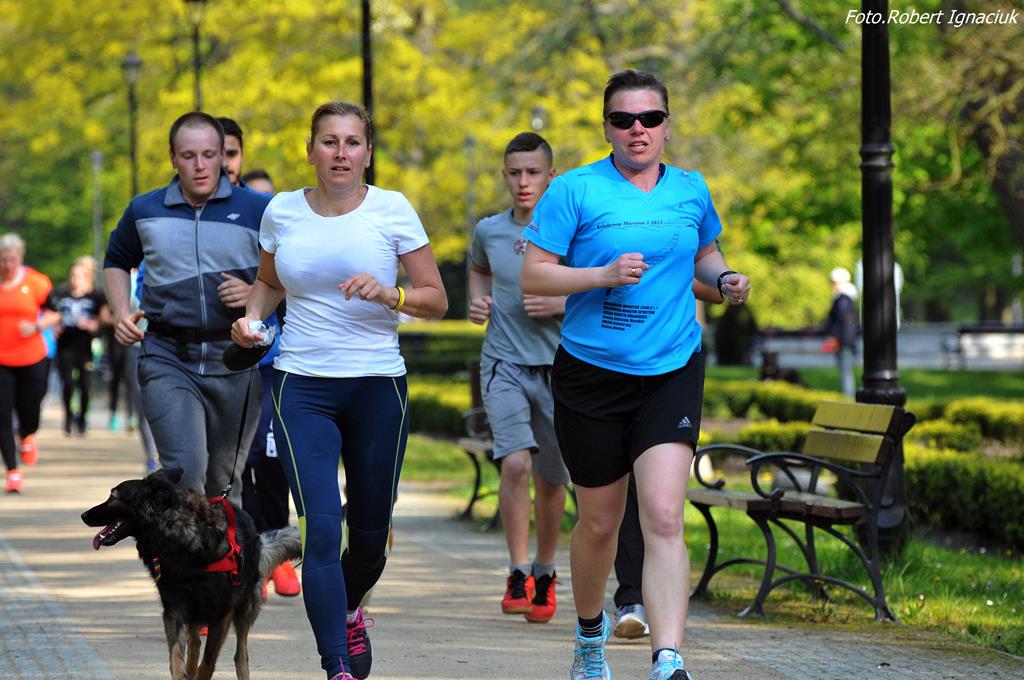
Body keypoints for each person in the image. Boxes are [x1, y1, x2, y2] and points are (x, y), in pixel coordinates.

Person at [520, 70, 751, 680]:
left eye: (650, 118)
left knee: (664, 516)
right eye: (623, 120)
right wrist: (601, 275)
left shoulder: (692, 188)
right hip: (591, 374)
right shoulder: (574, 189)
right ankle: (589, 637)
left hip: (671, 368)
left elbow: (704, 254)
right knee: (599, 523)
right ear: (607, 129)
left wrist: (725, 279)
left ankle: (667, 658)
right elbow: (534, 275)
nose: (638, 129)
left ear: (667, 126)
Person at [231, 101, 447, 680]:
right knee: (322, 528)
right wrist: (250, 320)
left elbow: (435, 299)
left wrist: (390, 294)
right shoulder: (282, 211)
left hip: (378, 385)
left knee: (371, 534)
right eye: (329, 142)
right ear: (311, 150)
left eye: (353, 143)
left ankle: (349, 607)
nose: (341, 153)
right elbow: (268, 284)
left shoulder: (393, 209)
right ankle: (336, 666)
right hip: (302, 385)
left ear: (368, 153)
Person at [104, 112, 271, 502]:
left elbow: (287, 274)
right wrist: (121, 312)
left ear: (223, 156)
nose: (200, 165)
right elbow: (115, 260)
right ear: (172, 158)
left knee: (224, 485)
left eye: (209, 155)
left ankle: (228, 545)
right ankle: (183, 544)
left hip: (234, 359)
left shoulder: (259, 210)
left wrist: (254, 293)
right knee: (186, 472)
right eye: (188, 155)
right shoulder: (145, 210)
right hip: (168, 357)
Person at [468, 131, 569, 624]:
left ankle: (545, 572)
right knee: (514, 466)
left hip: (561, 368)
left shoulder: (574, 231)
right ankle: (517, 570)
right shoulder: (489, 230)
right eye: (514, 173)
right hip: (503, 363)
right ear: (504, 175)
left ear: (551, 176)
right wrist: (477, 300)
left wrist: (559, 303)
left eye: (533, 172)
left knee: (552, 477)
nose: (523, 182)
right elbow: (478, 268)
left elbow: (599, 290)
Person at [613, 281, 723, 640]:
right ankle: (631, 599)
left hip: (672, 366)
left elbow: (713, 288)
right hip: (610, 364)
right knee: (620, 491)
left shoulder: (691, 241)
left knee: (661, 509)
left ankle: (663, 642)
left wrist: (724, 280)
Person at [0, 233, 61, 492]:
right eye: (3, 260)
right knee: (2, 416)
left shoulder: (37, 282)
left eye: (12, 259)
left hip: (32, 357)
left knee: (31, 412)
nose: (7, 265)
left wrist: (36, 325)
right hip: (2, 360)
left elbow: (55, 314)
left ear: (20, 257)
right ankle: (13, 472)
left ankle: (26, 434)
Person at [53, 256, 107, 436]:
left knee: (84, 385)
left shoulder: (96, 296)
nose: (75, 279)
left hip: (85, 347)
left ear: (87, 277)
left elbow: (104, 319)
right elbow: (52, 314)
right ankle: (68, 417)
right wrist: (55, 326)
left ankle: (82, 419)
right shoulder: (61, 294)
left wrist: (93, 324)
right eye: (73, 275)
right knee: (68, 383)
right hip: (65, 346)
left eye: (80, 275)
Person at [825, 266, 858, 397]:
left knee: (846, 372)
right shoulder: (844, 299)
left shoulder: (843, 300)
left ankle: (848, 397)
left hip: (843, 341)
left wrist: (834, 337)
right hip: (845, 340)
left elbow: (842, 322)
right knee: (845, 371)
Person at [218, 116, 246, 187]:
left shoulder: (259, 195)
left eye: (231, 154)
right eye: (218, 155)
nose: (224, 164)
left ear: (242, 155)